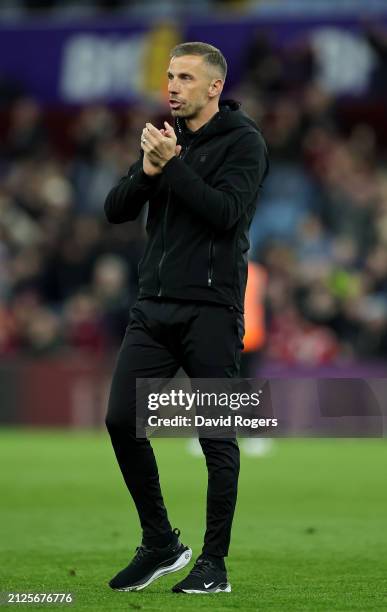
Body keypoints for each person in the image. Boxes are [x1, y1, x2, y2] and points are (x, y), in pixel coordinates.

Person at [104, 41, 269, 595]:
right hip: (153, 306)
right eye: (169, 76)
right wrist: (150, 171)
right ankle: (161, 544)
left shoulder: (245, 142)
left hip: (213, 310)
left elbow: (225, 214)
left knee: (218, 438)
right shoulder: (167, 140)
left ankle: (214, 566)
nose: (171, 86)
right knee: (120, 420)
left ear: (214, 87)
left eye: (185, 78)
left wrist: (170, 167)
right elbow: (116, 208)